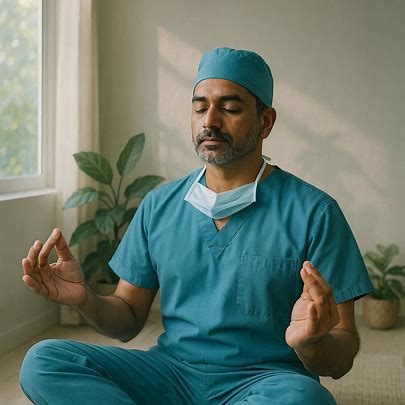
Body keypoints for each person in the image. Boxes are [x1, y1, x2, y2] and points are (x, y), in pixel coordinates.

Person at [19, 47, 374, 405]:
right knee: (44, 361)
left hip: (265, 381)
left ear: (265, 122)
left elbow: (342, 353)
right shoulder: (159, 206)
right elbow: (126, 321)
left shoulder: (315, 213)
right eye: (200, 107)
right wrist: (85, 300)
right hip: (169, 373)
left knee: (307, 398)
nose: (210, 121)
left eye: (230, 108)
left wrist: (310, 343)